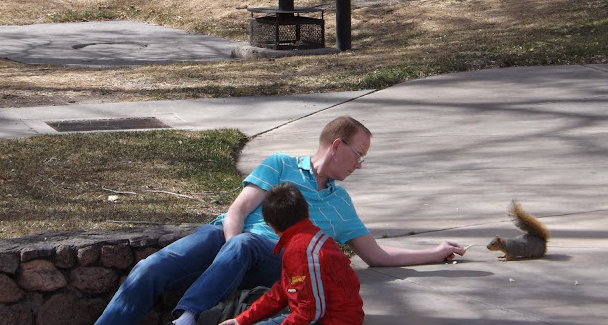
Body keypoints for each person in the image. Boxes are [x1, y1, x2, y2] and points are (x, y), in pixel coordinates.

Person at [95, 116, 465, 325]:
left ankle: (187, 316)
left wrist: (434, 251)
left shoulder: (341, 203)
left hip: (273, 259)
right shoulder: (280, 163)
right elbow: (238, 211)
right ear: (336, 145)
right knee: (149, 268)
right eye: (358, 153)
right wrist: (228, 256)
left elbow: (378, 256)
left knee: (245, 244)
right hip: (226, 238)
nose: (360, 164)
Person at [219, 182, 364, 325]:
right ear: (306, 212)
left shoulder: (300, 252)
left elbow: (311, 312)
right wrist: (240, 320)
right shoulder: (311, 238)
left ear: (271, 226)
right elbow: (282, 292)